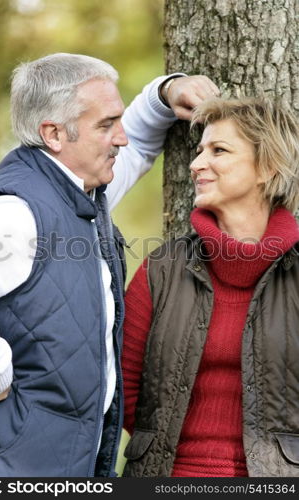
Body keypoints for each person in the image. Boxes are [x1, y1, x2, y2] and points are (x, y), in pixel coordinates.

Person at [0, 52, 219, 477]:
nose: (121, 138)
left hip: (65, 464)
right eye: (106, 125)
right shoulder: (16, 210)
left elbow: (141, 142)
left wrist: (167, 93)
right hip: (14, 467)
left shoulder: (81, 185)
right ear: (53, 133)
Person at [122, 96, 299, 477]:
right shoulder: (162, 269)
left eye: (218, 150)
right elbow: (125, 388)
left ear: (267, 167)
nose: (196, 163)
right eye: (200, 150)